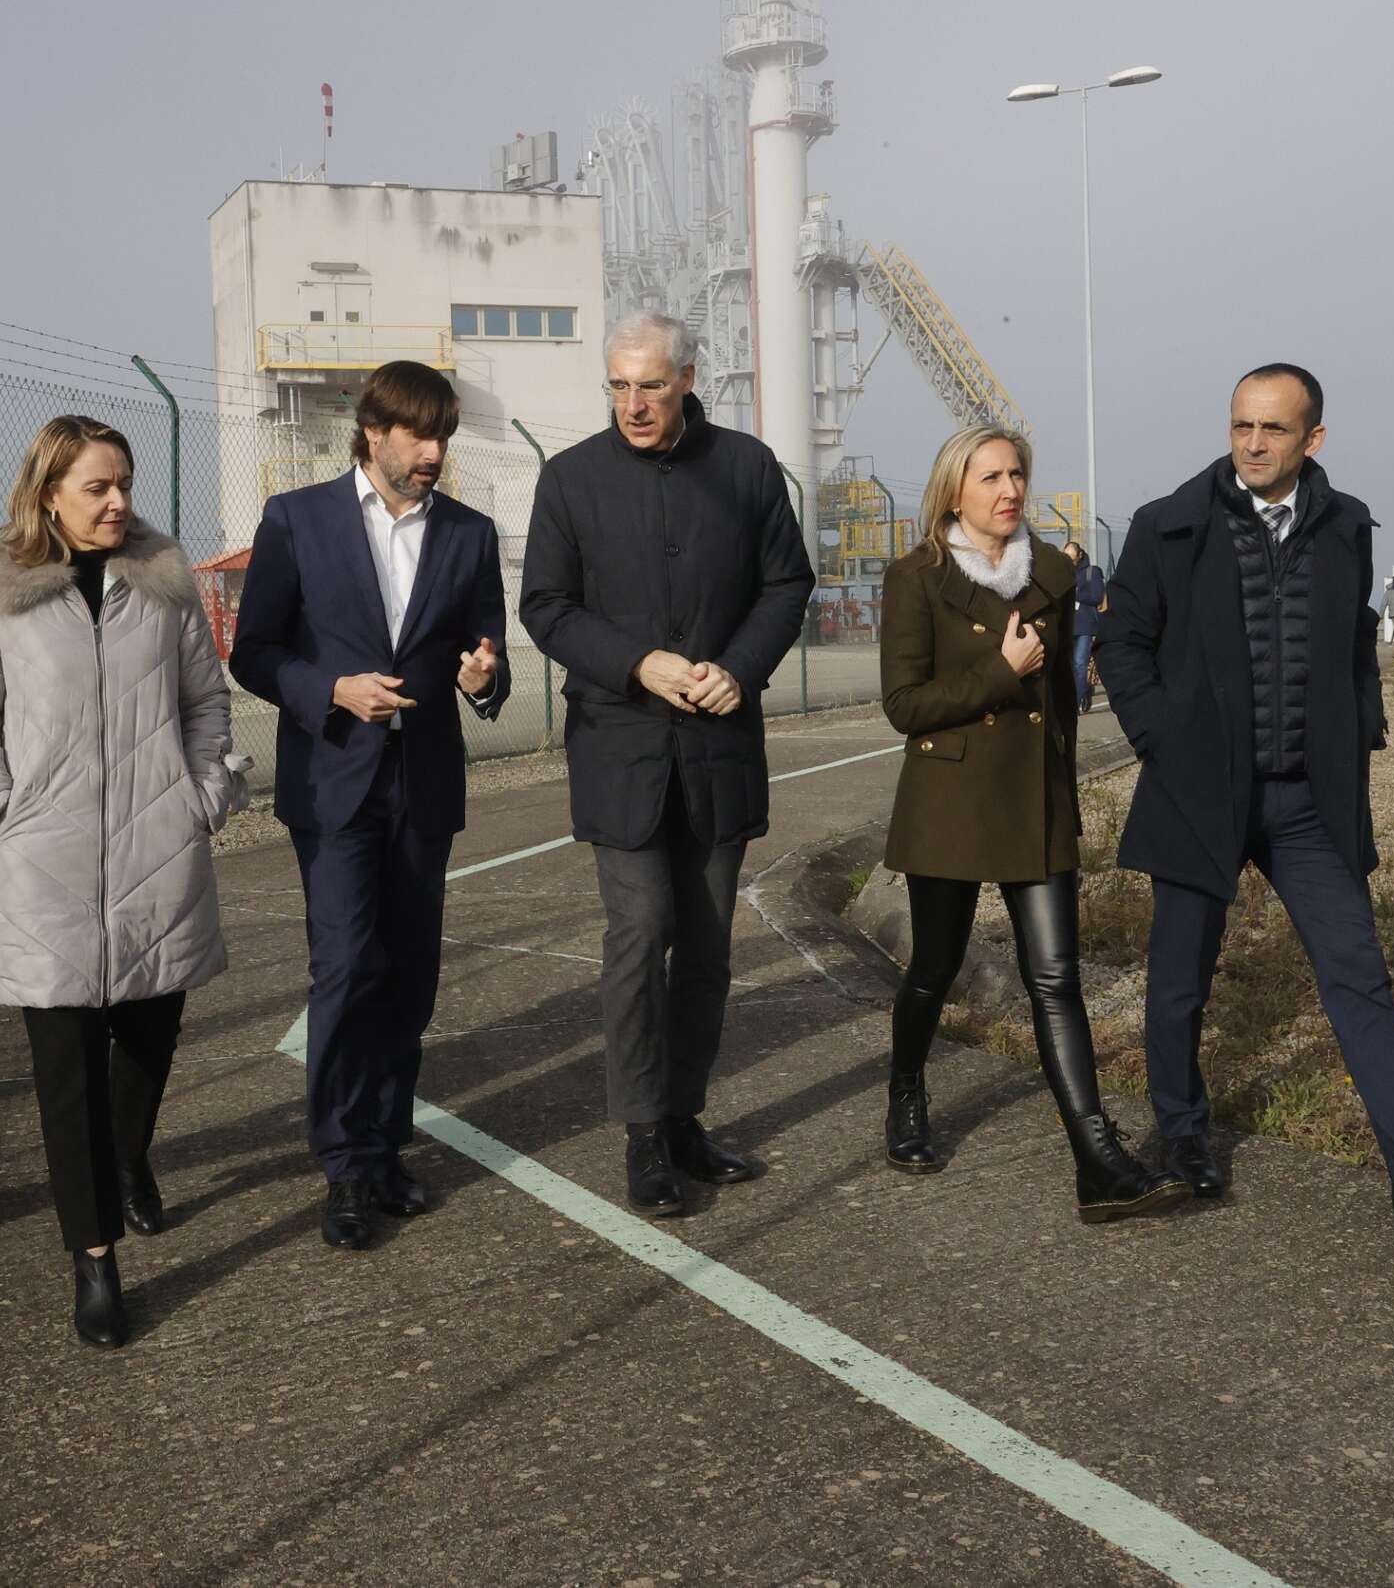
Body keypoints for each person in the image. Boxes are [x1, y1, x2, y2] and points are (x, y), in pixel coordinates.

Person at [1096, 363, 1394, 1231]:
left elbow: (1355, 640)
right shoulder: (1166, 525)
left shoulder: (1346, 528)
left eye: (1273, 430)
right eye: (1240, 426)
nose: (1253, 444)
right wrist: (1161, 740)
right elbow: (1120, 641)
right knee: (1180, 982)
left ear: (1313, 439)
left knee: (1358, 972)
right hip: (1198, 794)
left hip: (1305, 801)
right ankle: (1183, 1139)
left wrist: (1363, 724)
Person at [0, 416, 239, 1348]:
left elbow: (205, 700)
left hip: (158, 848)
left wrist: (203, 794)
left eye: (124, 484)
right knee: (66, 1071)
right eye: (96, 488)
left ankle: (129, 1157)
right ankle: (95, 1261)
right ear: (48, 495)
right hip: (41, 861)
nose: (118, 503)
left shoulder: (164, 578)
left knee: (149, 1038)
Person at [521, 312, 816, 1217]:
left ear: (690, 378)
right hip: (622, 750)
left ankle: (686, 1116)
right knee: (641, 931)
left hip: (720, 748)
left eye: (650, 384)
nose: (633, 403)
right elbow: (546, 606)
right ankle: (644, 1133)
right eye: (618, 385)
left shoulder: (748, 468)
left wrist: (740, 668)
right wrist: (635, 662)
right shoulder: (570, 480)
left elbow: (787, 583)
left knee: (710, 949)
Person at [230, 362, 510, 1252]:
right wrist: (331, 691)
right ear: (373, 430)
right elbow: (255, 653)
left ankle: (388, 1145)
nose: (434, 455)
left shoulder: (470, 534)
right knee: (346, 968)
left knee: (410, 977)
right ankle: (346, 1164)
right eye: (419, 437)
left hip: (424, 786)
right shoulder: (297, 519)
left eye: (443, 439)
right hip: (334, 782)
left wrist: (483, 679)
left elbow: (487, 658)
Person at [876, 429, 1184, 1221]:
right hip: (948, 802)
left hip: (1033, 802)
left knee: (1056, 977)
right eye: (991, 476)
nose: (1009, 488)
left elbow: (1063, 717)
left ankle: (1097, 1157)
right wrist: (997, 673)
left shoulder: (1053, 572)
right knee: (933, 968)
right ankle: (906, 1090)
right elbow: (905, 706)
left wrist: (1062, 795)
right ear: (954, 490)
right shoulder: (916, 577)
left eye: (1017, 473)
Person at [1065, 539, 1106, 713]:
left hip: (1085, 625)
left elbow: (1097, 596)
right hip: (1067, 624)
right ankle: (1085, 691)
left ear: (1079, 555)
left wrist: (1076, 594)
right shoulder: (1063, 572)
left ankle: (1074, 704)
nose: (1069, 561)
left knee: (1080, 664)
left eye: (1071, 558)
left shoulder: (1092, 572)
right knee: (1068, 664)